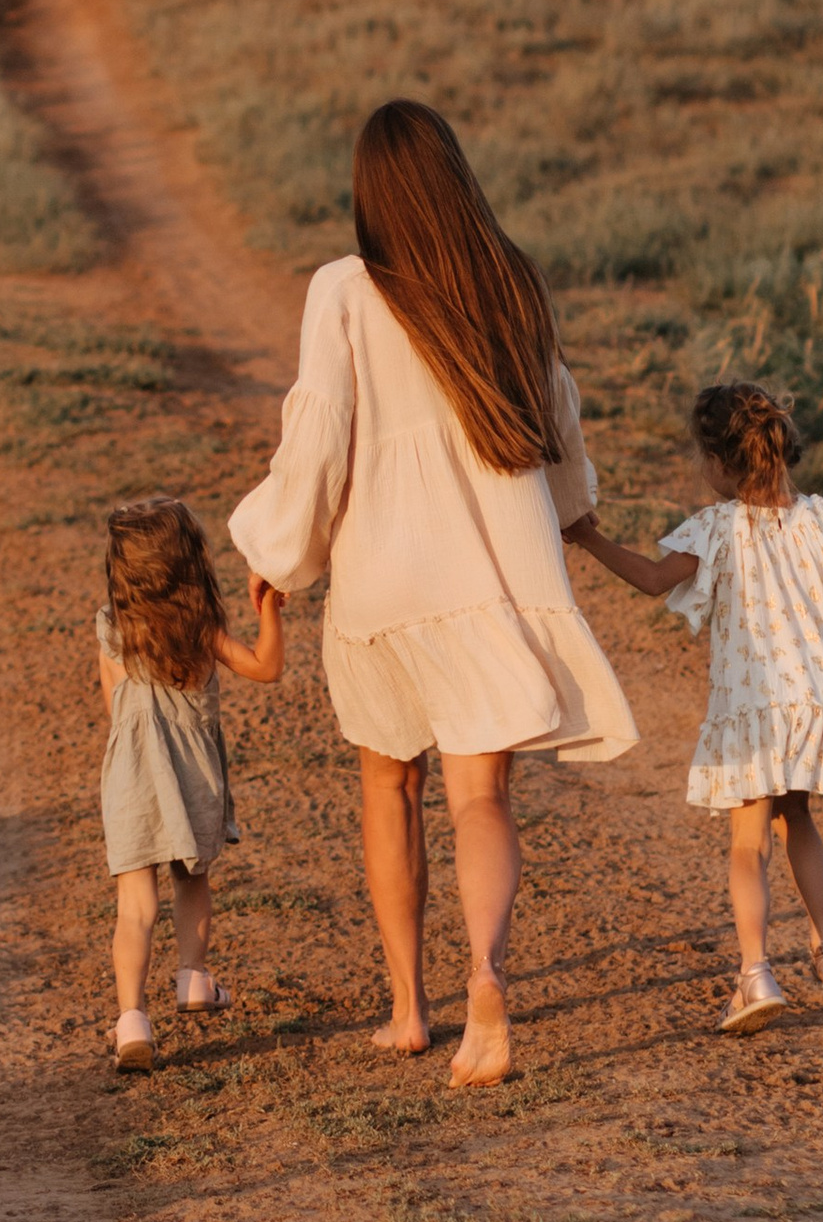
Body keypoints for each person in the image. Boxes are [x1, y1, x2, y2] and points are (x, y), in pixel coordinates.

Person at [230, 99, 635, 1088]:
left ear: (371, 193)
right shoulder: (508, 281)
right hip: (490, 573)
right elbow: (557, 420)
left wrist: (279, 549)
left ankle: (408, 1009)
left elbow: (318, 436)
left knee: (389, 784)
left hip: (382, 581)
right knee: (479, 795)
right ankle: (485, 975)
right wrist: (570, 516)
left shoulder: (343, 287)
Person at [567, 379, 823, 1037]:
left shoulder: (717, 527)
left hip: (756, 708)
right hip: (815, 700)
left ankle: (756, 972)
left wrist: (589, 540)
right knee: (797, 815)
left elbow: (651, 578)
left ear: (719, 462)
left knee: (748, 841)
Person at [97, 494, 283, 1071]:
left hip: (131, 781)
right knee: (192, 878)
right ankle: (193, 977)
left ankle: (132, 1020)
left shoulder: (111, 629)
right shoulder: (201, 628)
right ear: (189, 564)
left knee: (135, 907)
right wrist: (269, 608)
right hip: (194, 779)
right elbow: (266, 667)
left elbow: (114, 712)